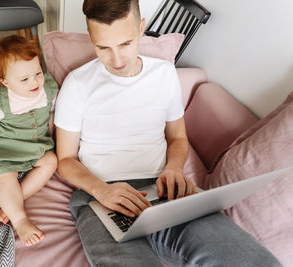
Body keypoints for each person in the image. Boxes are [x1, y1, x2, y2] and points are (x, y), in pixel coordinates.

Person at [54, 0, 282, 266]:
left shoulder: (164, 74)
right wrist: (101, 190)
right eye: (103, 47)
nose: (116, 60)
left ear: (141, 29)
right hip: (101, 195)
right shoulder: (77, 83)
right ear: (91, 37)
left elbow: (177, 138)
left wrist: (174, 168)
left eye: (125, 44)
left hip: (163, 190)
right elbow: (65, 160)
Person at [0, 35, 58, 247]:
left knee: (51, 161)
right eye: (24, 79)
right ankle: (20, 220)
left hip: (36, 145)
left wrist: (51, 139)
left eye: (37, 73)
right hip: (6, 147)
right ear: (5, 82)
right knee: (3, 175)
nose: (35, 81)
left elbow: (52, 116)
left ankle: (12, 203)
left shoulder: (48, 89)